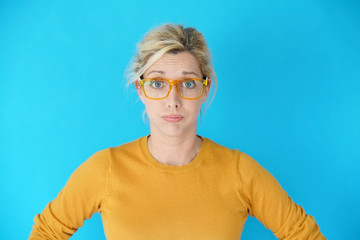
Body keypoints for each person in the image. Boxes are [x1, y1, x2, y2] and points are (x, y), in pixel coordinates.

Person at [29, 23, 326, 239]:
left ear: (204, 89)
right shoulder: (106, 168)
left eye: (187, 83)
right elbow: (46, 233)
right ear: (141, 90)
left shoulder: (239, 171)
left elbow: (304, 234)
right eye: (158, 83)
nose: (173, 101)